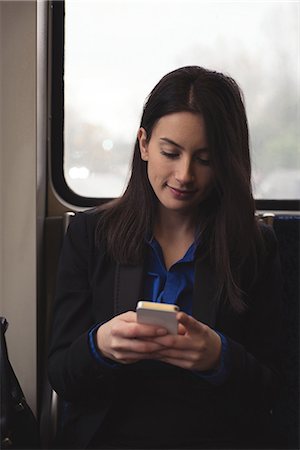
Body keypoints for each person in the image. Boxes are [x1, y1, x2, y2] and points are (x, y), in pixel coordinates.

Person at [48, 66, 283, 449]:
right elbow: (61, 374)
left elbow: (271, 387)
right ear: (144, 144)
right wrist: (101, 345)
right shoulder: (90, 236)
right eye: (170, 153)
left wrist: (218, 356)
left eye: (205, 159)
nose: (184, 174)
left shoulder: (254, 246)